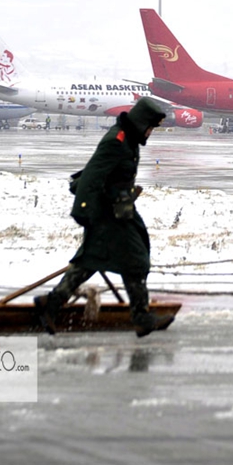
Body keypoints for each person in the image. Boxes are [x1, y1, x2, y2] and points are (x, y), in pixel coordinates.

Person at [34, 98, 173, 338]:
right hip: (107, 214)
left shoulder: (128, 139)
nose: (150, 133)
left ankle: (52, 302)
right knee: (135, 261)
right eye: (150, 128)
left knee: (92, 260)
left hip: (119, 211)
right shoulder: (117, 142)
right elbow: (91, 176)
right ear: (140, 123)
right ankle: (141, 317)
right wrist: (83, 210)